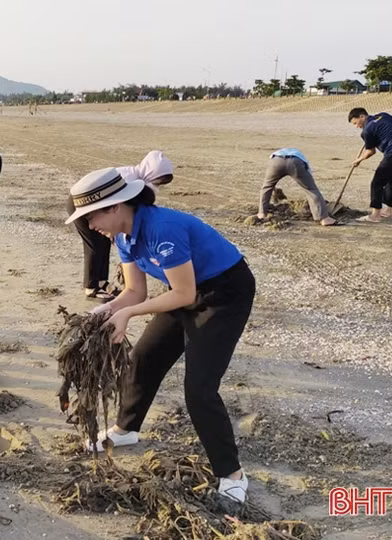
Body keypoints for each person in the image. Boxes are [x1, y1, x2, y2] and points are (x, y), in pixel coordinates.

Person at [66, 167, 255, 504]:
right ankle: (125, 429)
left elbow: (184, 295)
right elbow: (135, 292)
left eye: (90, 217)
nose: (89, 226)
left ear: (115, 206)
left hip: (224, 293)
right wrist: (103, 312)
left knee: (199, 387)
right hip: (185, 289)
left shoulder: (161, 228)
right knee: (145, 357)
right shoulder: (122, 237)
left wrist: (125, 314)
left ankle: (232, 475)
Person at [66, 150, 174, 302]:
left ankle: (101, 282)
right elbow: (120, 213)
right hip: (81, 204)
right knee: (94, 245)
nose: (158, 184)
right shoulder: (128, 179)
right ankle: (91, 287)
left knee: (104, 243)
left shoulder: (139, 179)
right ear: (152, 172)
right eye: (158, 180)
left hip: (96, 205)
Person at [348, 108, 392, 223]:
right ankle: (387, 210)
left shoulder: (367, 131)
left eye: (355, 123)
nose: (356, 126)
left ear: (362, 117)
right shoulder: (384, 115)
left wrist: (358, 160)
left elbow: (370, 152)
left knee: (377, 183)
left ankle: (375, 215)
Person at [257, 148, 339, 226]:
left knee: (267, 187)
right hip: (295, 163)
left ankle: (262, 213)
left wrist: (273, 186)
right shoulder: (301, 157)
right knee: (311, 189)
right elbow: (309, 175)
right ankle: (324, 218)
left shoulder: (274, 155)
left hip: (276, 162)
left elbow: (270, 179)